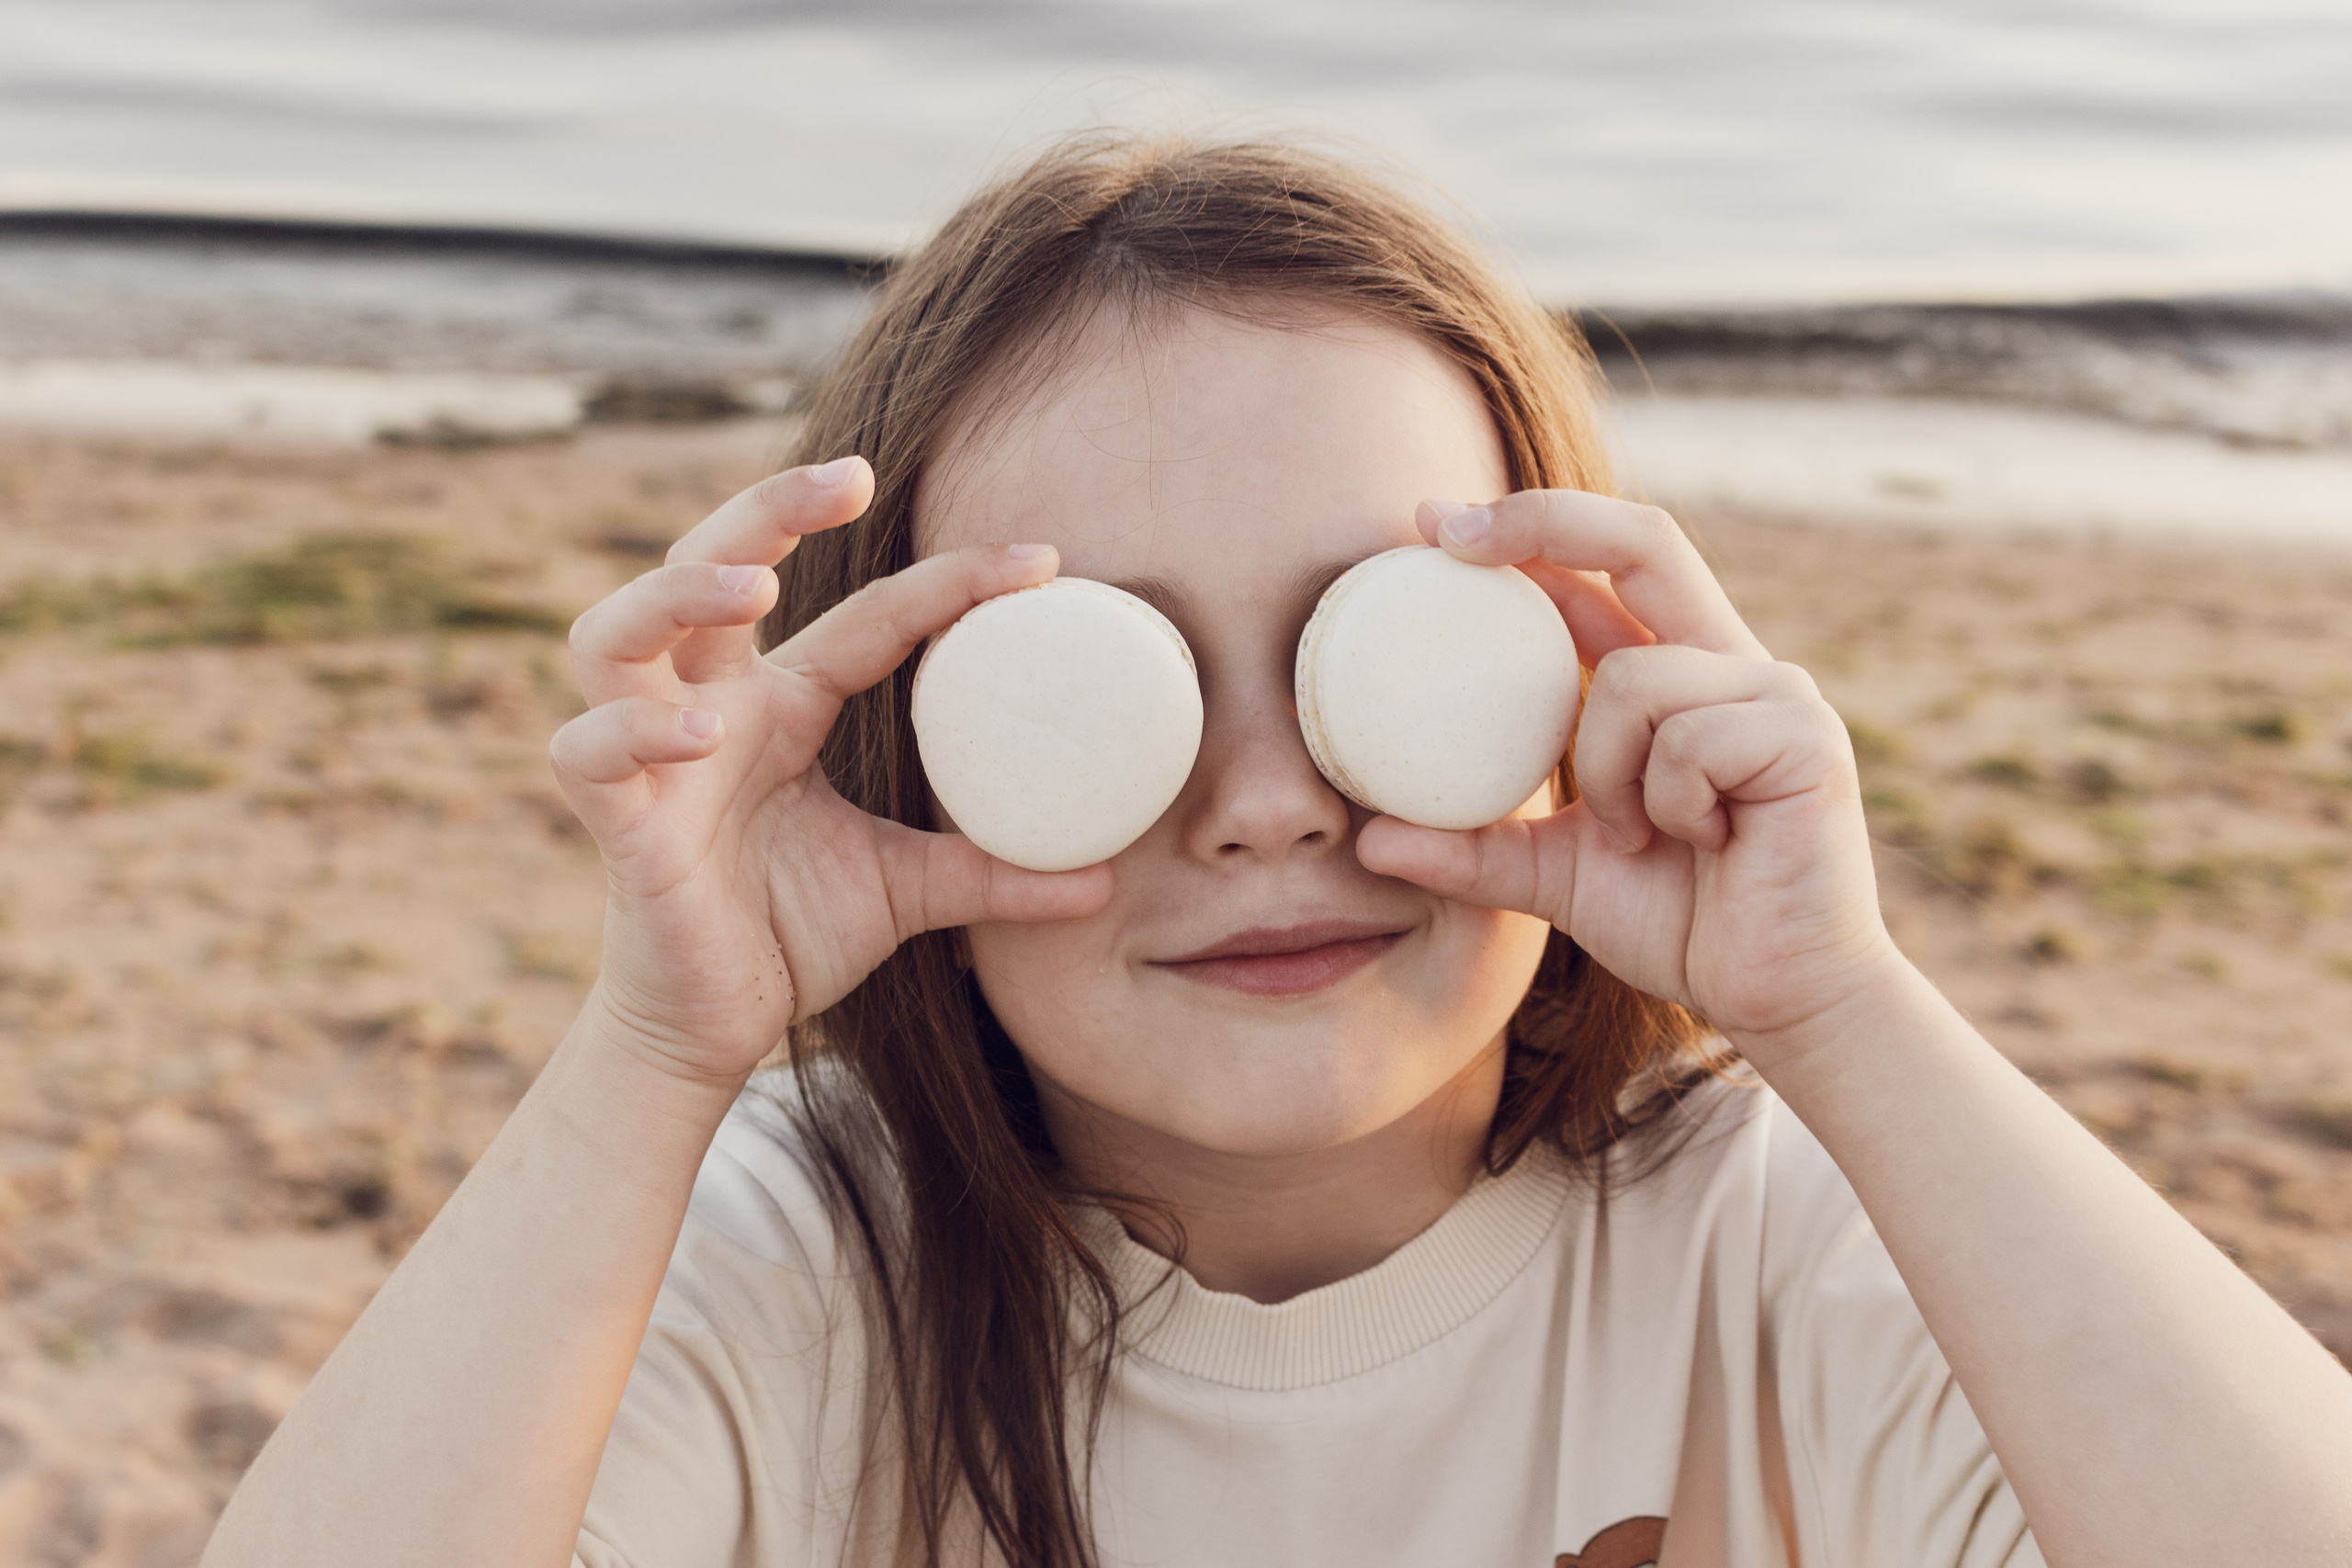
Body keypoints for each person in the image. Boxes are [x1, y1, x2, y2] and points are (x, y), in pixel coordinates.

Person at [200, 136, 2352, 1568]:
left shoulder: (1765, 1247)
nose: (1259, 797)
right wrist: (648, 1056)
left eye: (1373, 647)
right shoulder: (793, 1254)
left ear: (1581, 671)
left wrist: (1850, 1013)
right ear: (897, 737)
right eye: (1097, 679)